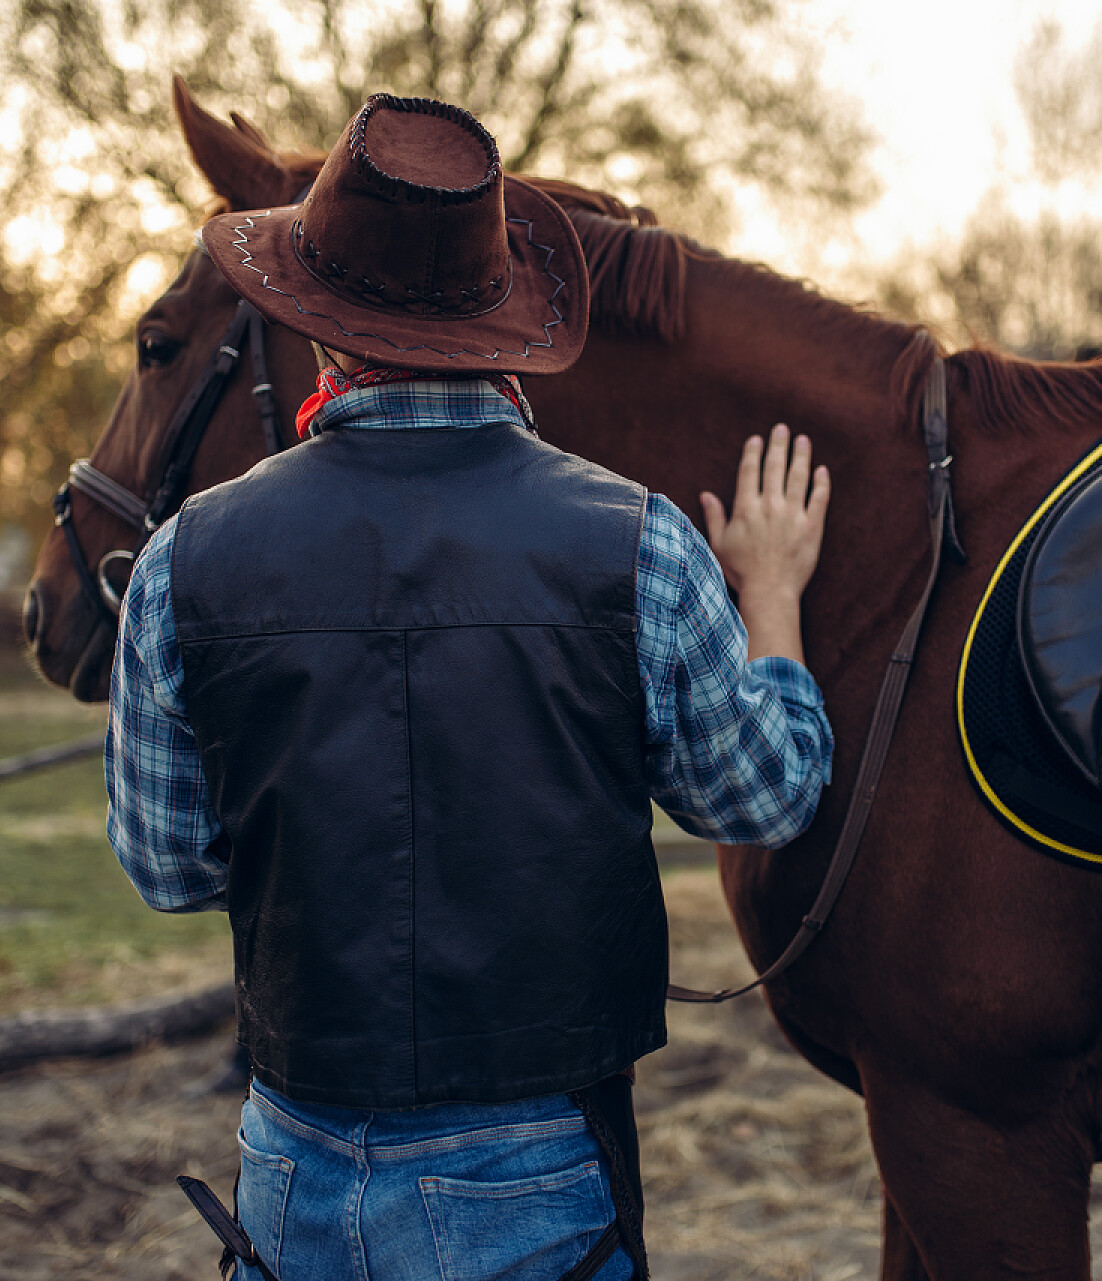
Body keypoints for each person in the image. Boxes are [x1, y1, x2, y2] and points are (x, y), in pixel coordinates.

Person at [105, 93, 833, 1281]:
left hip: (290, 1162)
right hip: (541, 1163)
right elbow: (766, 798)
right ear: (502, 323)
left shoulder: (182, 560)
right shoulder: (642, 545)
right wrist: (778, 597)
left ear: (316, 328)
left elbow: (166, 865)